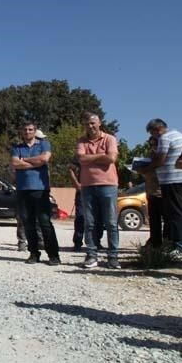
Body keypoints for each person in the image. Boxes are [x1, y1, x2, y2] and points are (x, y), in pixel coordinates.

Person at [11, 121, 61, 265]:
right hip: (22, 189)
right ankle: (34, 253)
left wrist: (24, 160)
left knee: (45, 223)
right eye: (25, 129)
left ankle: (53, 255)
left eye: (30, 129)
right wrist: (35, 162)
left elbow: (44, 159)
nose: (27, 132)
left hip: (40, 189)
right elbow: (14, 163)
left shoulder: (44, 144)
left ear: (35, 131)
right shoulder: (17, 147)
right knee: (28, 223)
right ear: (22, 132)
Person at [77, 113, 120, 269]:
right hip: (88, 185)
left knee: (111, 223)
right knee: (90, 223)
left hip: (108, 185)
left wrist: (91, 157)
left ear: (99, 123)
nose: (90, 126)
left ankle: (113, 256)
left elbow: (111, 159)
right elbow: (81, 159)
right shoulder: (81, 141)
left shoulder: (110, 139)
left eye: (93, 123)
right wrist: (102, 156)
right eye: (87, 123)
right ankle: (91, 255)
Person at [139, 119, 182, 259]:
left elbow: (160, 160)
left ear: (157, 129)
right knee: (181, 212)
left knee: (175, 214)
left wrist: (144, 169)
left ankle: (180, 246)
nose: (154, 137)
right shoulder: (180, 135)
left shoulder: (165, 138)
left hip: (172, 181)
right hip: (181, 179)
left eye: (153, 133)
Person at [140, 135, 166, 247]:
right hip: (151, 192)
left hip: (162, 193)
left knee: (167, 220)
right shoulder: (150, 157)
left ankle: (167, 242)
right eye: (150, 144)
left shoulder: (162, 158)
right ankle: (155, 242)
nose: (153, 147)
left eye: (155, 144)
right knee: (154, 220)